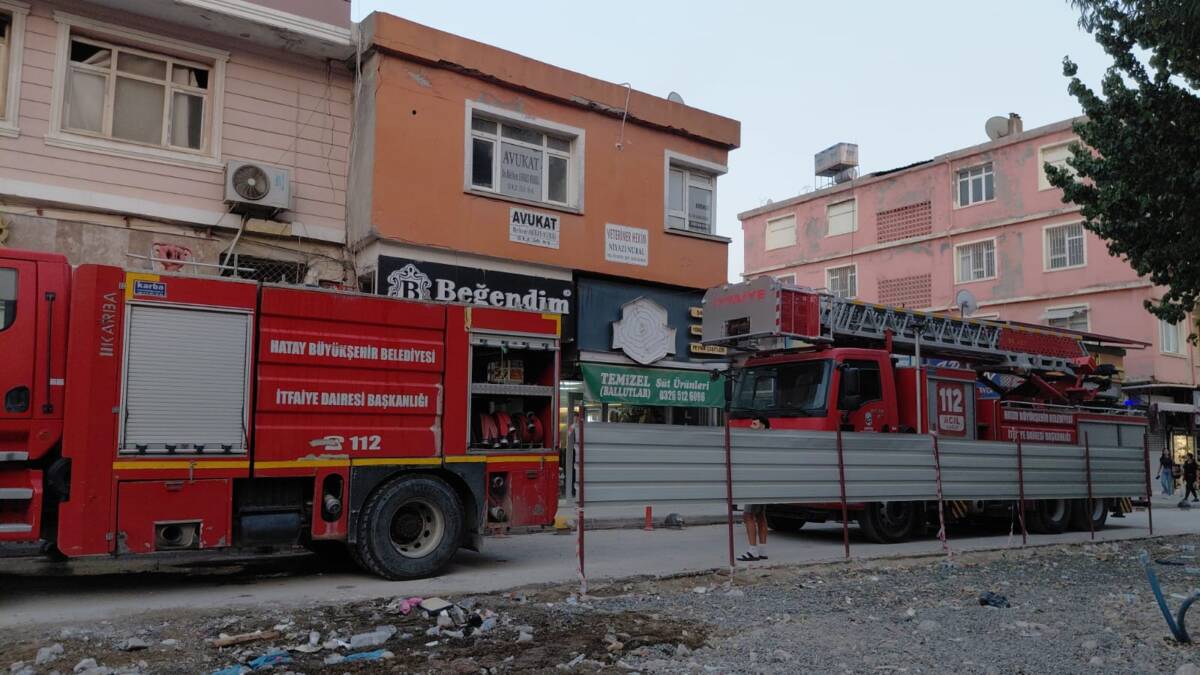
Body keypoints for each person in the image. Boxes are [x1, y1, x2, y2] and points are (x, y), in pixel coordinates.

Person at [738, 417, 770, 562]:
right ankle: (762, 550)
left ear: (763, 426)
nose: (751, 426)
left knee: (748, 515)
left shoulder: (758, 441)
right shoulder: (768, 441)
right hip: (764, 482)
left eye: (754, 424)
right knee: (761, 515)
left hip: (755, 483)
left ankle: (752, 551)